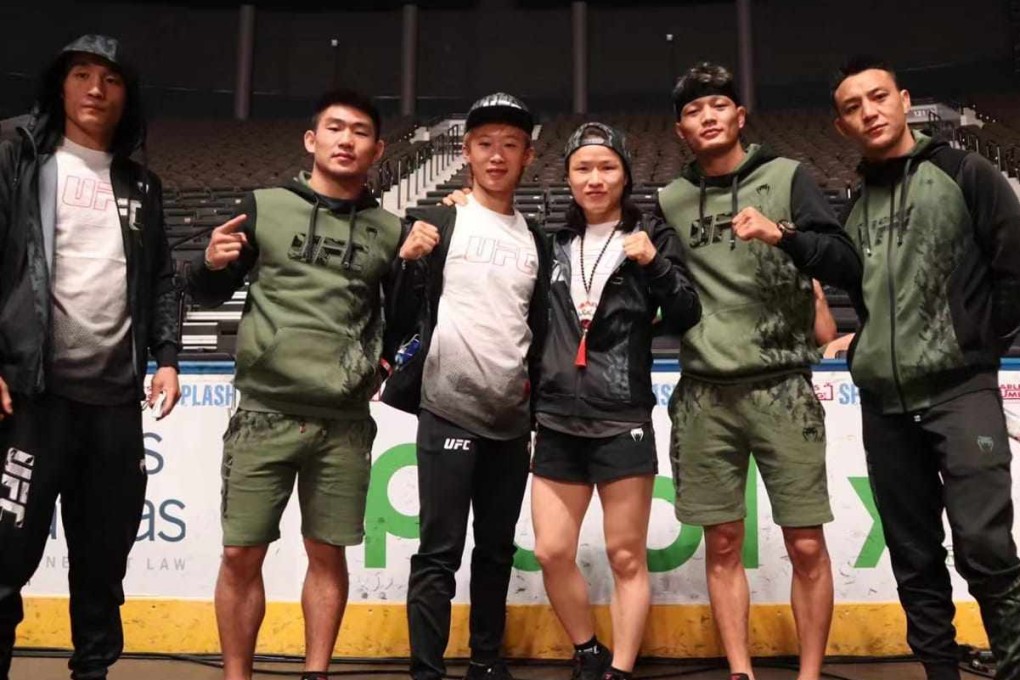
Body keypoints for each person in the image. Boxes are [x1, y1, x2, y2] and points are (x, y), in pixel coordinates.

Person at [188, 89, 416, 680]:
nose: (347, 140)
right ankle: (237, 674)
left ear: (378, 148)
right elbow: (205, 292)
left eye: (360, 131)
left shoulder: (391, 230)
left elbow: (409, 317)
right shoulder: (264, 207)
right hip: (262, 411)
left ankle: (316, 672)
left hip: (342, 423)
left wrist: (386, 362)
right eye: (335, 128)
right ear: (312, 141)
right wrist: (209, 264)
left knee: (326, 551)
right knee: (241, 554)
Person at [658, 62, 863, 680]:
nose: (709, 116)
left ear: (740, 117)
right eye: (695, 111)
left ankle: (808, 674)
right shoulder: (670, 199)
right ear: (681, 130)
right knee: (721, 545)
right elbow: (664, 292)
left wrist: (785, 235)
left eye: (719, 105)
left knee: (805, 544)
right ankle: (740, 671)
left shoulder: (788, 178)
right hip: (703, 395)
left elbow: (845, 261)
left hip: (782, 388)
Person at [832, 55, 1020, 680]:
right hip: (885, 404)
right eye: (854, 107)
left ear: (904, 99)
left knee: (986, 546)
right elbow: (871, 295)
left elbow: (1012, 269)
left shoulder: (967, 172)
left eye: (878, 97)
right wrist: (870, 340)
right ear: (843, 125)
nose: (870, 112)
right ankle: (940, 673)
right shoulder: (855, 205)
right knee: (913, 554)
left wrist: (975, 340)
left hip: (961, 391)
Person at [0, 34, 181, 680]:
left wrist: (166, 356)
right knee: (3, 564)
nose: (95, 90)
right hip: (33, 401)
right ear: (61, 85)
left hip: (114, 408)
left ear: (126, 95)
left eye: (110, 79)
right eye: (82, 75)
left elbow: (162, 278)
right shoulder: (20, 158)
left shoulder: (141, 185)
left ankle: (93, 674)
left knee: (102, 570)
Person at [387, 92, 551, 680]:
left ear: (529, 155)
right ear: (469, 151)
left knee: (496, 551)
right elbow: (397, 317)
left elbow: (539, 326)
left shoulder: (537, 238)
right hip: (448, 410)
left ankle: (486, 661)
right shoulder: (441, 220)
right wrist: (407, 262)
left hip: (512, 421)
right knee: (439, 553)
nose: (497, 155)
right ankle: (426, 670)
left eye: (510, 144)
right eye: (485, 144)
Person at [529, 122, 699, 680]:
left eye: (606, 167)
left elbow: (686, 314)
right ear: (569, 177)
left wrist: (654, 262)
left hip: (621, 415)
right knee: (552, 552)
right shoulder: (553, 244)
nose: (594, 178)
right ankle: (587, 651)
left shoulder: (652, 238)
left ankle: (620, 670)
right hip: (556, 418)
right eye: (583, 168)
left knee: (626, 556)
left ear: (625, 175)